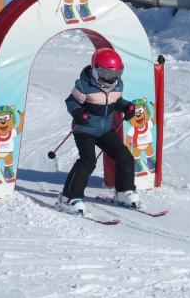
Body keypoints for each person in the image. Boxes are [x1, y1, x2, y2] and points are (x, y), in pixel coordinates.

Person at [57, 47, 140, 215]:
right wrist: (77, 112)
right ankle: (68, 198)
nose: (112, 79)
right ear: (95, 70)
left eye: (117, 74)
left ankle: (124, 192)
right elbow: (71, 101)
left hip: (104, 130)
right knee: (88, 162)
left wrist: (127, 107)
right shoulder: (84, 85)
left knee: (125, 157)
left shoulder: (117, 86)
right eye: (108, 75)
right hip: (85, 130)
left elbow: (116, 101)